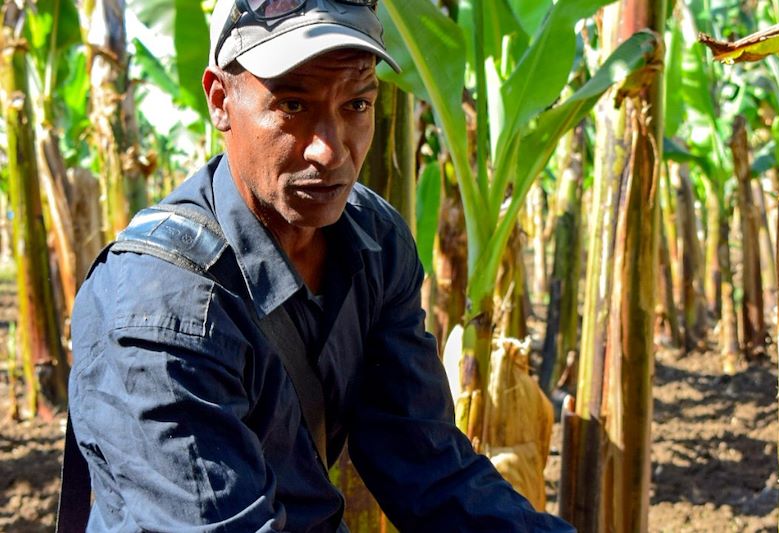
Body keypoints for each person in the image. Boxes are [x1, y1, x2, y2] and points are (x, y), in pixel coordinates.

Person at [68, 0, 576, 531]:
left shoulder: (374, 240)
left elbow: (425, 462)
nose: (330, 152)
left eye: (356, 105)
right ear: (220, 100)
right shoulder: (158, 307)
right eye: (292, 104)